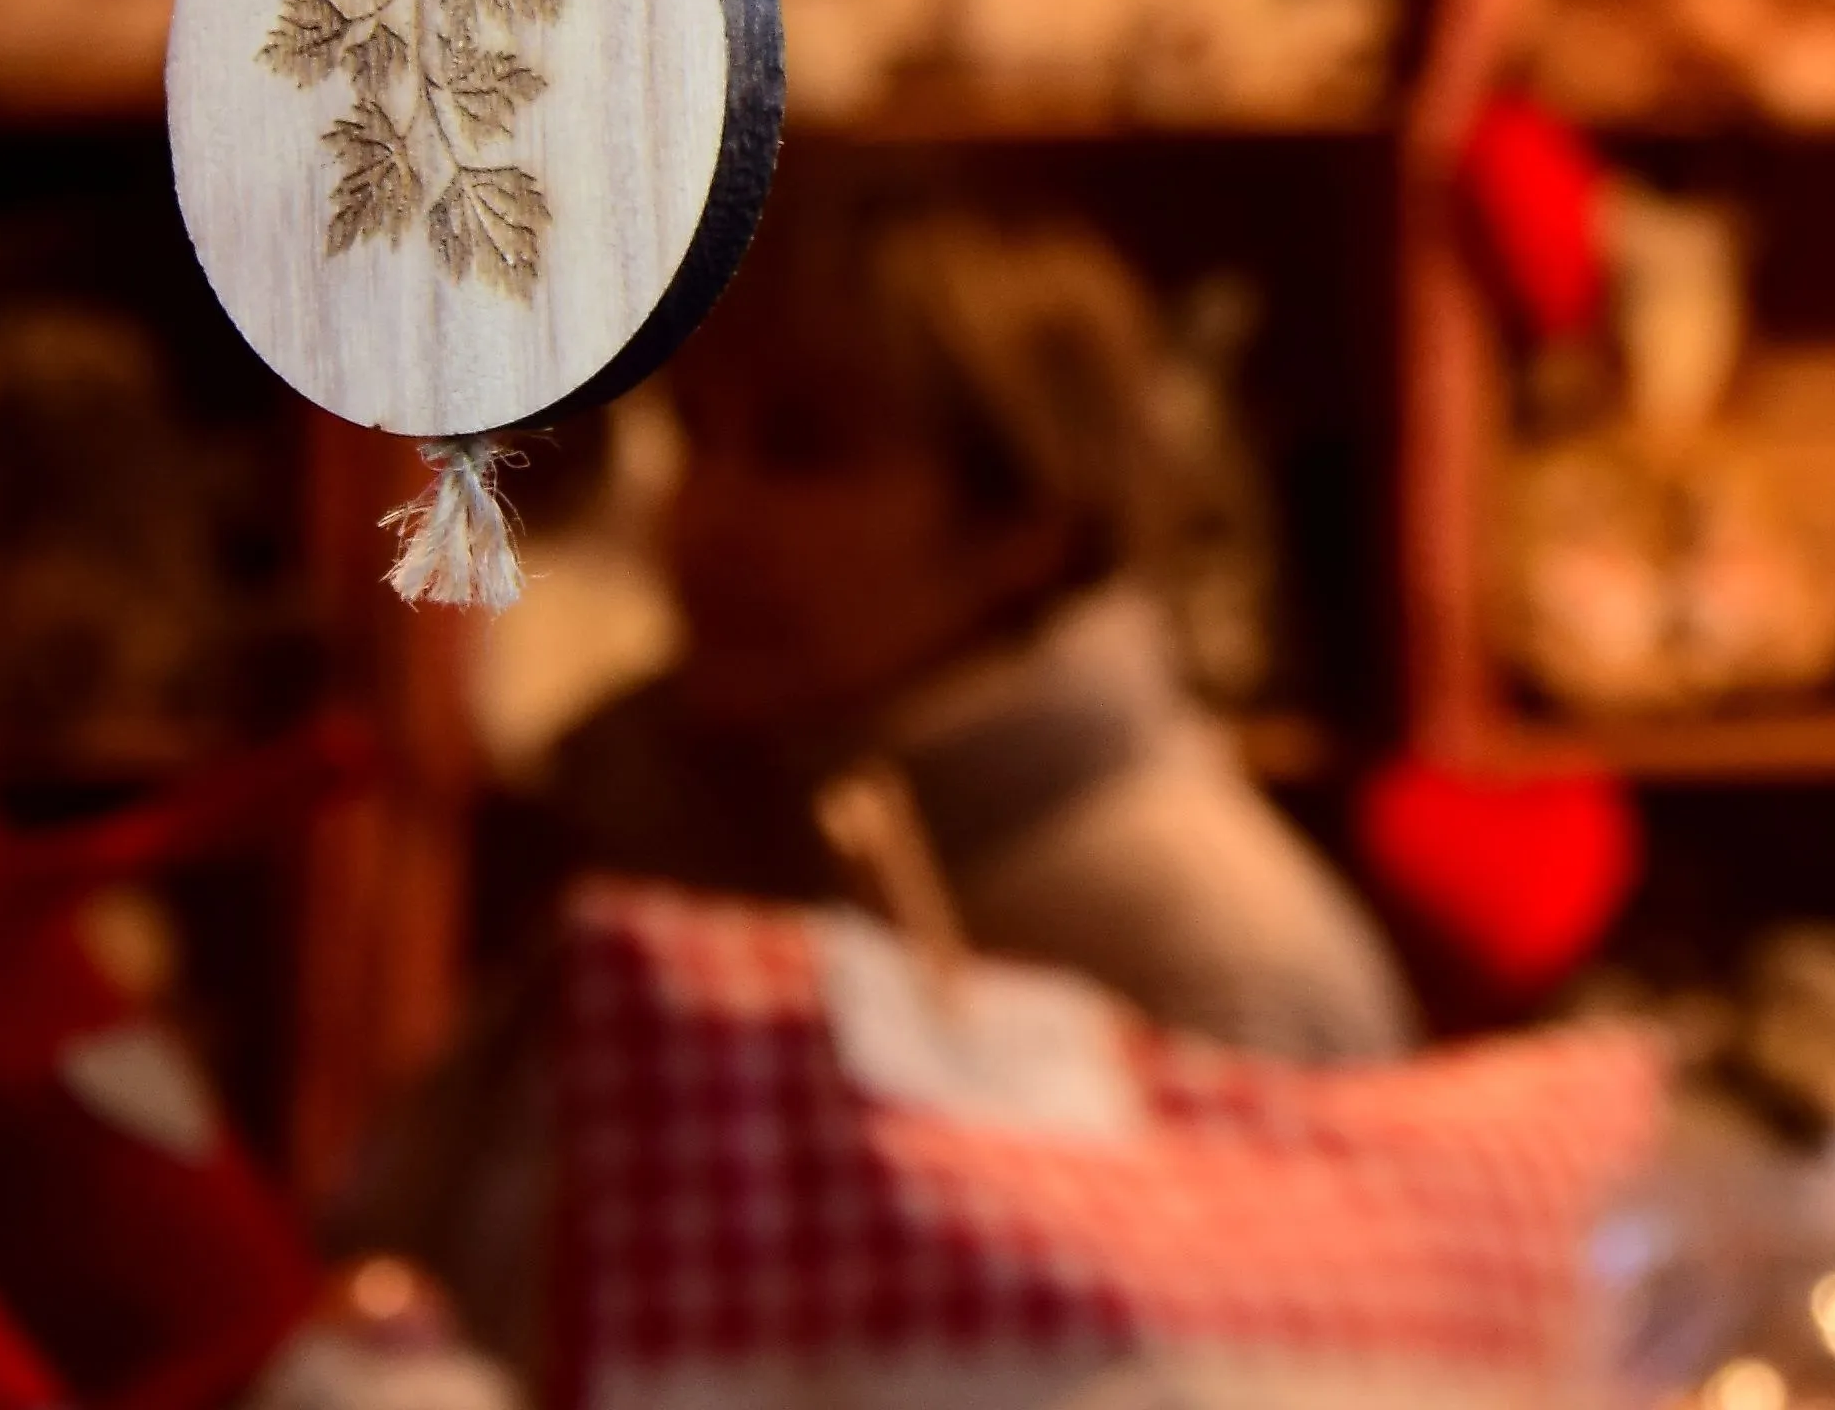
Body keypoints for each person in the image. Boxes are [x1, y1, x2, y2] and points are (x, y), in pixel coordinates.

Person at [343, 185, 1411, 1356]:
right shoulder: (676, 835)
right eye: (698, 436)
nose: (704, 517)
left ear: (1026, 521)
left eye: (804, 451)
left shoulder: (1211, 960)